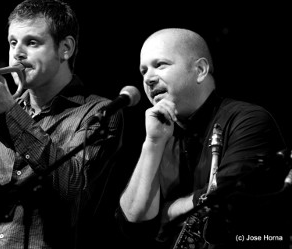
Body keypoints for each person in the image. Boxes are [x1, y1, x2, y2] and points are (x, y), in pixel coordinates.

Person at [0, 0, 124, 249]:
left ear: (66, 48)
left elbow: (71, 184)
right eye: (12, 42)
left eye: (32, 42)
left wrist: (9, 112)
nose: (17, 53)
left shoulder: (98, 112)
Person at [116, 28, 291, 249]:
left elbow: (229, 197)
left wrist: (167, 210)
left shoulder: (249, 119)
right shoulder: (160, 134)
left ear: (200, 70)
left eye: (160, 65)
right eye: (143, 71)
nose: (148, 79)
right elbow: (131, 225)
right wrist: (152, 143)